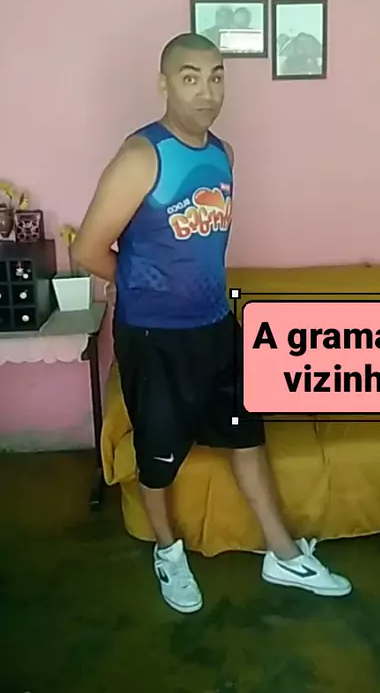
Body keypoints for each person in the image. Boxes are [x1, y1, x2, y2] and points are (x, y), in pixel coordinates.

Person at [72, 32, 352, 614]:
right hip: (154, 338)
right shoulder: (142, 156)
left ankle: (282, 554)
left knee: (246, 438)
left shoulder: (223, 154)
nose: (207, 91)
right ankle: (168, 552)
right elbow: (88, 249)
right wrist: (142, 283)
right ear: (164, 84)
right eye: (191, 77)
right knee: (157, 458)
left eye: (217, 76)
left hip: (216, 327)